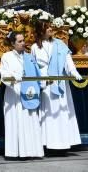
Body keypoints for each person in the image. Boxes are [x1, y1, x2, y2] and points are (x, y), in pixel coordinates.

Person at [31, 21, 82, 150]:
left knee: (61, 111)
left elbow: (67, 61)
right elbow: (34, 66)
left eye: (50, 27)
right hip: (46, 83)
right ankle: (49, 143)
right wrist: (40, 80)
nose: (50, 29)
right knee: (49, 113)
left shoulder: (59, 44)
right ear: (40, 31)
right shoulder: (35, 47)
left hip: (59, 81)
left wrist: (73, 72)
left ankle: (63, 143)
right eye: (47, 28)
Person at [1, 31, 44, 159]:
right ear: (13, 44)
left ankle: (32, 151)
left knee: (30, 121)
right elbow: (4, 75)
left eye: (23, 40)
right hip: (14, 94)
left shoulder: (29, 56)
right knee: (17, 121)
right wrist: (15, 78)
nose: (23, 43)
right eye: (19, 41)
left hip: (29, 93)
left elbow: (37, 73)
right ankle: (16, 152)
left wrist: (42, 82)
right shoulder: (6, 56)